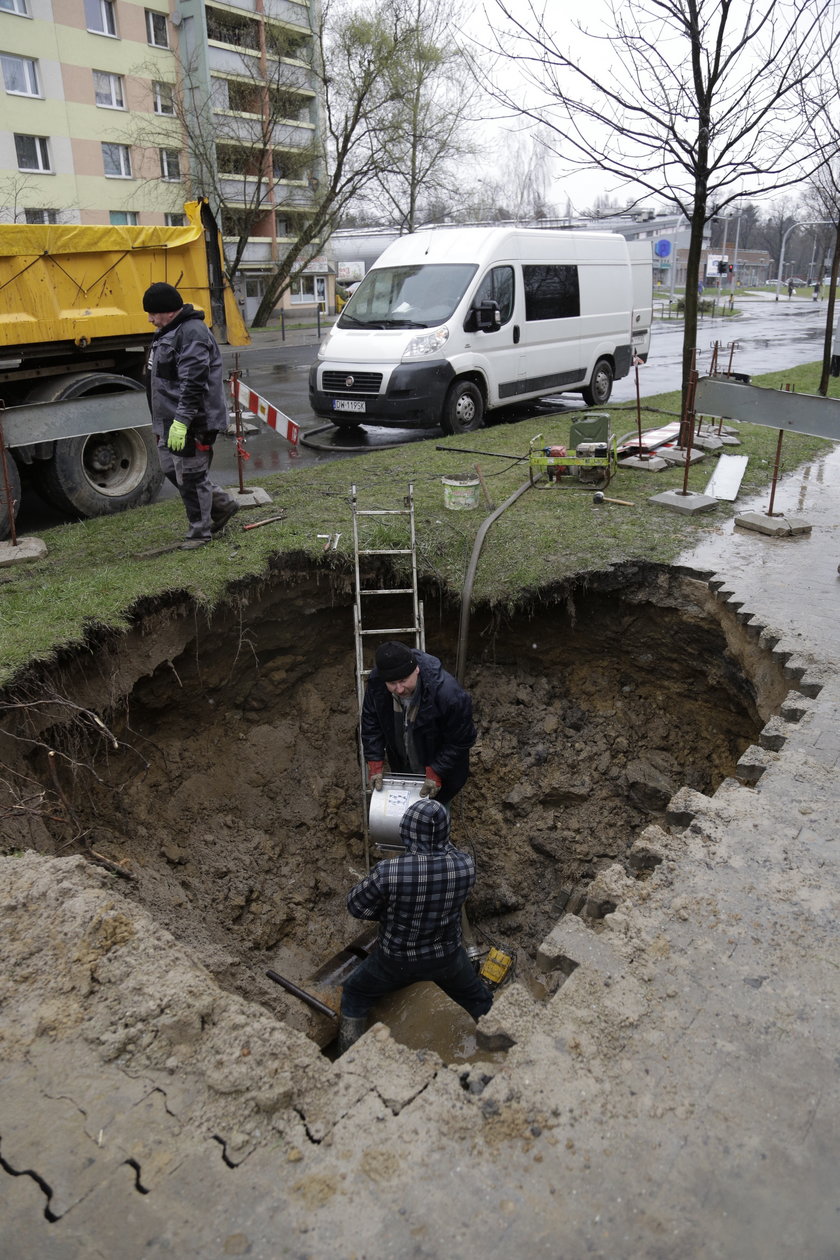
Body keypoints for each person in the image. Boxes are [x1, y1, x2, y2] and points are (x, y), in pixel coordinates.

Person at [337, 798, 493, 1052]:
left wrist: (387, 913)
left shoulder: (389, 871)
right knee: (479, 1000)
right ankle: (502, 1047)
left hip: (396, 961)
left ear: (406, 829)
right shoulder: (465, 864)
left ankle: (351, 1060)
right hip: (447, 957)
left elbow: (355, 906)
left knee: (355, 993)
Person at [142, 282, 239, 550]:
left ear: (168, 311)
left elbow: (194, 383)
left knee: (191, 475)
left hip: (194, 421)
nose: (150, 319)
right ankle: (222, 505)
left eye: (153, 313)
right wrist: (163, 422)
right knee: (170, 468)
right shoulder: (167, 331)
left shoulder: (192, 333)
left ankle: (200, 532)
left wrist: (181, 423)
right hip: (168, 420)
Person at [361, 640, 476, 805]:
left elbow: (462, 739)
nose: (399, 689)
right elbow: (371, 721)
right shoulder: (377, 683)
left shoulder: (448, 695)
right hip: (404, 763)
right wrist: (374, 760)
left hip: (442, 767)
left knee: (436, 807)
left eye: (403, 680)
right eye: (392, 683)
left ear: (416, 669)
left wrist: (438, 770)